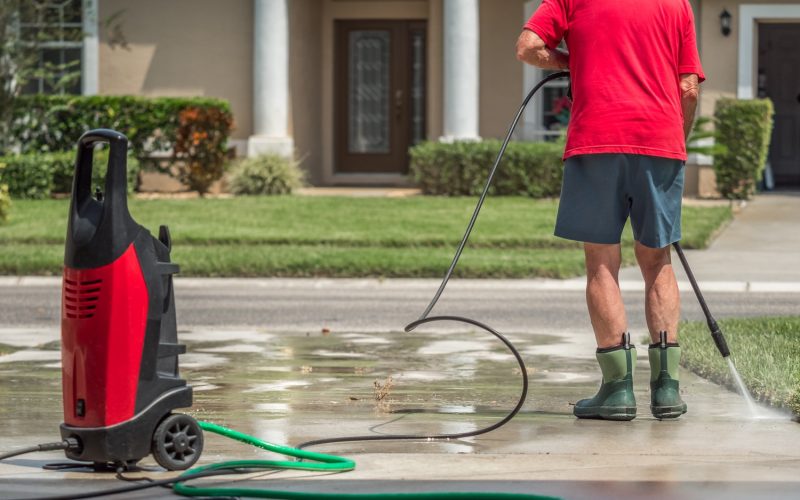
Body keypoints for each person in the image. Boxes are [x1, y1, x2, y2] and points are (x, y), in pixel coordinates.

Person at [515, 0, 704, 421]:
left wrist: (569, 60)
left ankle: (618, 391)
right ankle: (666, 389)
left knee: (602, 260)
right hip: (660, 141)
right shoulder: (676, 4)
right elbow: (688, 85)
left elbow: (528, 47)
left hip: (596, 138)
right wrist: (677, 141)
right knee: (658, 261)